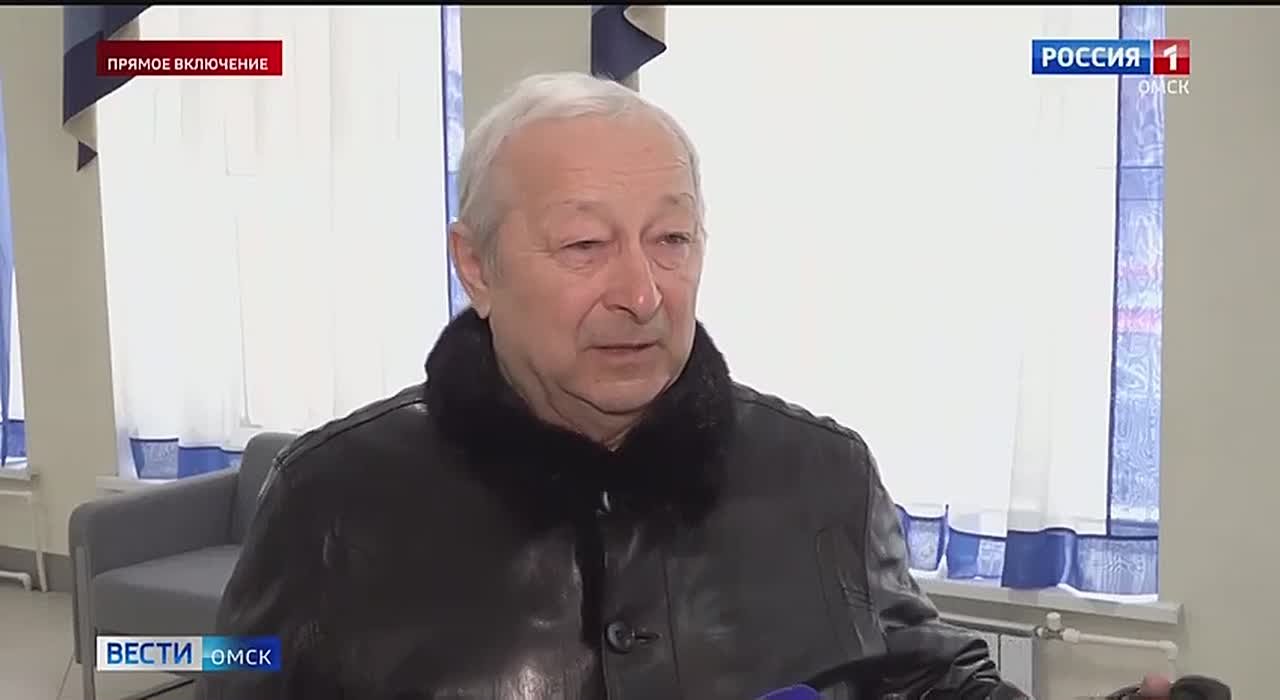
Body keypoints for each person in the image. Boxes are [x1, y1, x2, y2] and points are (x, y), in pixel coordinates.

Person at [207, 72, 1162, 700]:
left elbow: (919, 681)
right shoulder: (329, 496)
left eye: (671, 239)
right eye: (585, 244)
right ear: (477, 265)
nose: (641, 293)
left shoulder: (821, 474)